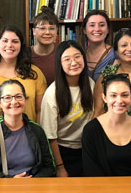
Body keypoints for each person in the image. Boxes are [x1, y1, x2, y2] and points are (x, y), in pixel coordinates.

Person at [0, 79, 55, 178]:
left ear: (25, 100)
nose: (14, 102)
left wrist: (32, 180)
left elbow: (50, 167)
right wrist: (10, 180)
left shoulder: (37, 130)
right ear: (0, 103)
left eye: (18, 96)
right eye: (7, 98)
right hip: (3, 187)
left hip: (34, 186)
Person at [40, 41, 94, 177]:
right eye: (67, 59)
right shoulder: (52, 93)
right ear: (59, 63)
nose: (74, 63)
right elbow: (50, 136)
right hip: (63, 152)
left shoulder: (90, 84)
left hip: (88, 149)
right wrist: (60, 167)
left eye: (77, 57)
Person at [82, 74, 131, 176]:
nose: (119, 100)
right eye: (113, 95)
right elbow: (91, 170)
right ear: (104, 98)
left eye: (125, 95)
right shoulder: (91, 130)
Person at [81, 10, 116, 81]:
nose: (97, 29)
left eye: (102, 25)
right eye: (92, 25)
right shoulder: (79, 55)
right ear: (84, 30)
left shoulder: (115, 54)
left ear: (108, 29)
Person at [31, 6, 59, 85]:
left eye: (52, 28)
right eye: (42, 28)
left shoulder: (63, 52)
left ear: (57, 31)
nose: (47, 32)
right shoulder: (25, 54)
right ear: (34, 31)